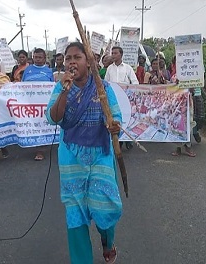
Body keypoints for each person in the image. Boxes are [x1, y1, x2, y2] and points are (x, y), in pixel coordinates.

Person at [46, 42, 122, 264]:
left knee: (105, 207)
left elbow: (116, 118)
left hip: (100, 156)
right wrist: (64, 91)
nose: (71, 62)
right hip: (71, 158)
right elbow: (54, 118)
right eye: (68, 58)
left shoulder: (104, 88)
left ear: (88, 62)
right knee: (76, 214)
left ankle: (108, 242)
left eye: (77, 57)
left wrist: (114, 125)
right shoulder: (61, 87)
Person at [22, 48, 54, 160]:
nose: (37, 59)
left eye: (40, 57)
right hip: (30, 104)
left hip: (43, 105)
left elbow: (52, 87)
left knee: (42, 124)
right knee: (32, 124)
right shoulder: (28, 70)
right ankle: (32, 143)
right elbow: (21, 86)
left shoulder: (49, 71)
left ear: (45, 58)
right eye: (35, 57)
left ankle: (40, 151)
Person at [105, 46, 138, 150]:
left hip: (125, 99)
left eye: (115, 53)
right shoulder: (109, 68)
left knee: (126, 118)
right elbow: (106, 83)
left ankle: (126, 140)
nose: (113, 55)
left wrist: (127, 88)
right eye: (112, 53)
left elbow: (135, 83)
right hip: (113, 98)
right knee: (115, 118)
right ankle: (117, 140)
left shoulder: (128, 68)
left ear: (121, 54)